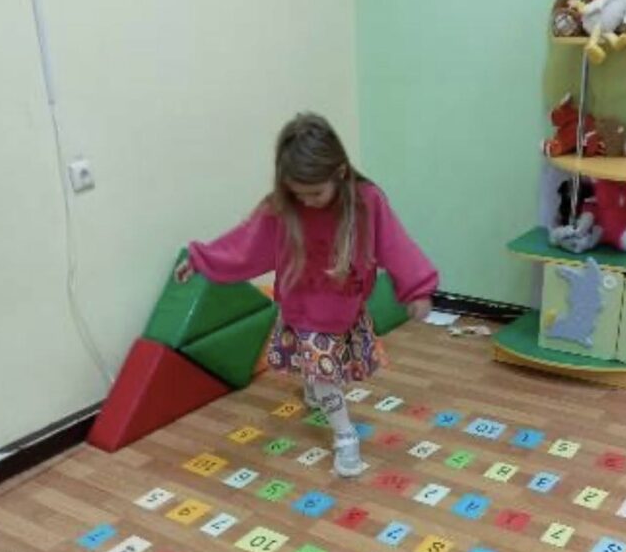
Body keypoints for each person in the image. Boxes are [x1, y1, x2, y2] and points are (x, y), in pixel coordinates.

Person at [175, 112, 439, 476]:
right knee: (323, 372)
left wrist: (417, 289)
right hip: (303, 308)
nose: (307, 202)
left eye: (315, 193)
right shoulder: (283, 208)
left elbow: (395, 244)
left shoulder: (366, 201)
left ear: (340, 172)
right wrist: (200, 260)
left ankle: (317, 390)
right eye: (298, 194)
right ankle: (345, 438)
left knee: (323, 372)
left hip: (343, 307)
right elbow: (244, 245)